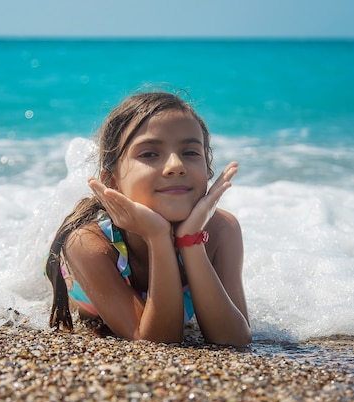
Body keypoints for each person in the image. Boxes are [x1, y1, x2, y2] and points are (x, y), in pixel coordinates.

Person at [45, 91, 251, 347]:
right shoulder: (88, 243)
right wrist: (157, 237)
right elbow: (155, 340)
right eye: (149, 154)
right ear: (112, 181)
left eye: (190, 152)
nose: (176, 165)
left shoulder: (221, 230)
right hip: (89, 296)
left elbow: (234, 339)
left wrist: (190, 241)